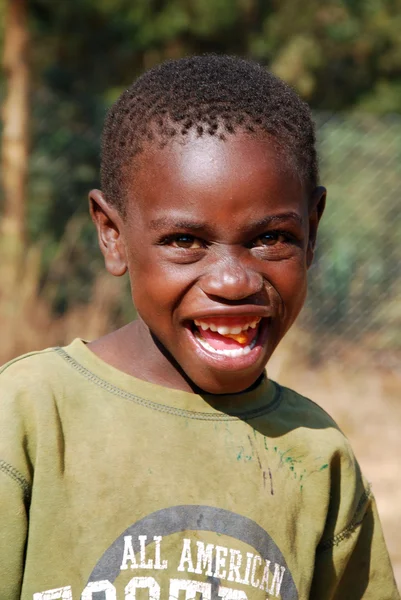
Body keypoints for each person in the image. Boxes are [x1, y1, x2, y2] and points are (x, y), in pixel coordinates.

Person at [0, 55, 398, 600]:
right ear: (112, 235)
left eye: (272, 237)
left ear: (312, 231)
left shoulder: (318, 457)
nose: (233, 281)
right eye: (186, 241)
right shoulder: (30, 418)